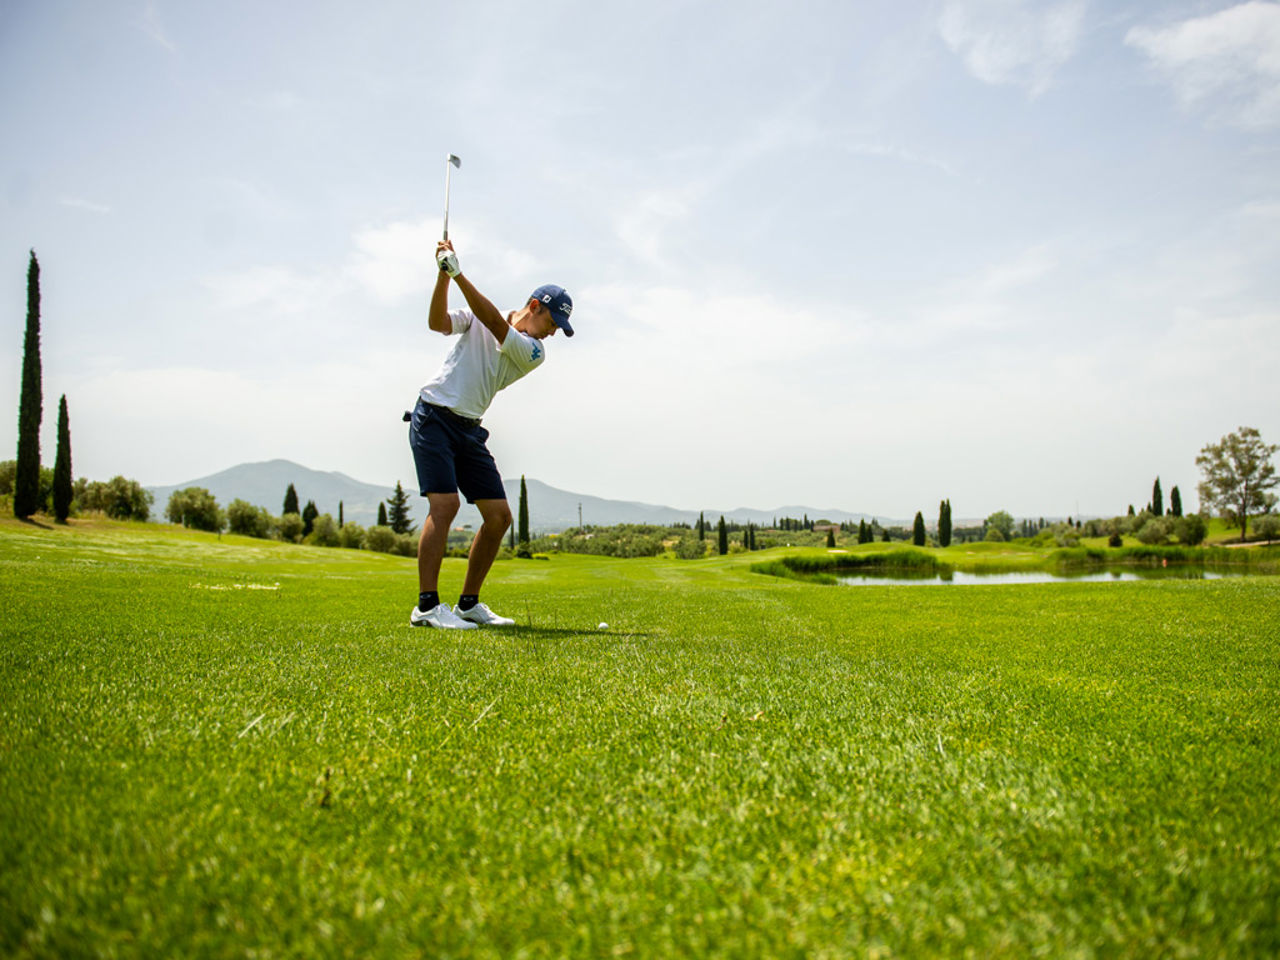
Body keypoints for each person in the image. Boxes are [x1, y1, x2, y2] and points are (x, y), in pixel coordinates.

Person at [406, 238, 573, 629]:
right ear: (535, 306)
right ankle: (427, 607)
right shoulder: (480, 314)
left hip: (468, 429)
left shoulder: (533, 351)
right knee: (444, 506)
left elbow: (497, 327)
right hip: (433, 415)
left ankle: (468, 604)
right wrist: (443, 276)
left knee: (498, 518)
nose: (552, 333)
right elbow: (437, 323)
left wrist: (458, 274)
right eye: (552, 323)